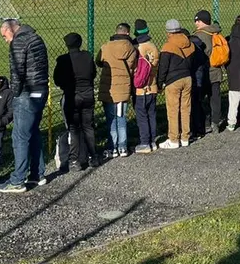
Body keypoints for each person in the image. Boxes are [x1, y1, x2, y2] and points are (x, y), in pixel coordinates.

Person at [0, 19, 49, 192]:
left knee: (20, 136)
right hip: (41, 89)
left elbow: (17, 70)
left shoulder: (18, 41)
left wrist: (15, 92)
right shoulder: (36, 37)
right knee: (33, 132)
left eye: (5, 36)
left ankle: (18, 180)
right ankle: (37, 174)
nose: (6, 40)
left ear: (11, 29)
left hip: (26, 91)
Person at [53, 32, 98, 170]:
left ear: (67, 45)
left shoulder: (63, 60)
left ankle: (74, 159)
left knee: (74, 128)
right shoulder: (87, 56)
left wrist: (66, 86)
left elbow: (57, 79)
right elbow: (93, 74)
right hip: (87, 94)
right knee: (88, 126)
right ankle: (93, 156)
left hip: (72, 95)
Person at [96, 23, 138, 158]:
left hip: (108, 88)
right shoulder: (131, 48)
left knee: (111, 119)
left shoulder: (106, 47)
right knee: (121, 118)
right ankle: (123, 147)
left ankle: (112, 147)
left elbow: (99, 61)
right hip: (123, 88)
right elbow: (132, 66)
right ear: (127, 33)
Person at [157, 19, 195, 148]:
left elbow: (163, 67)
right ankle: (185, 137)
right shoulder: (189, 44)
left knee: (173, 110)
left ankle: (173, 139)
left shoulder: (168, 46)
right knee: (186, 108)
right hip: (188, 78)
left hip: (173, 80)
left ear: (168, 32)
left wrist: (159, 83)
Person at [192, 10, 224, 136]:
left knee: (200, 99)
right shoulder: (216, 31)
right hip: (216, 70)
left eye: (197, 21)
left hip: (205, 72)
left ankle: (205, 123)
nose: (196, 23)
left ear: (202, 21)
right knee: (215, 98)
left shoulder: (200, 35)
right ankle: (215, 123)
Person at [132, 19, 160, 154]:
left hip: (141, 88)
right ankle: (153, 141)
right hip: (153, 85)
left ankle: (144, 142)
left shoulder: (137, 48)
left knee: (142, 115)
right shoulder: (153, 46)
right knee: (152, 114)